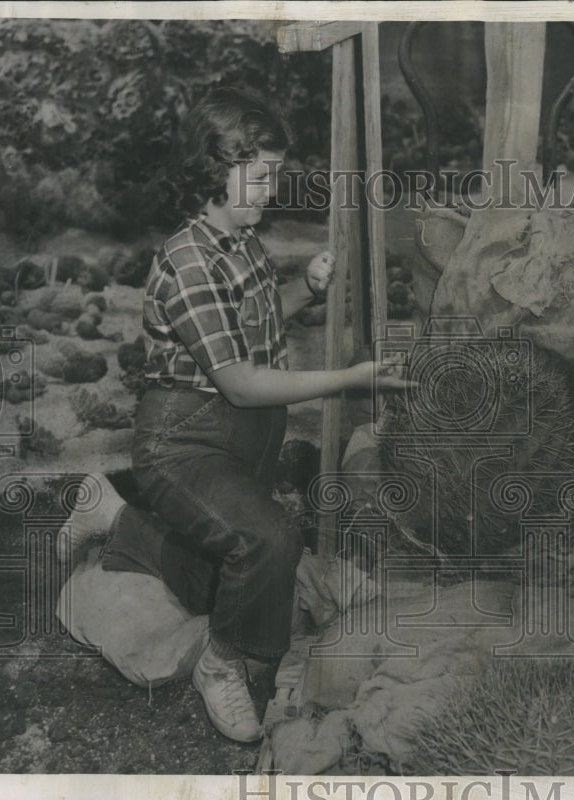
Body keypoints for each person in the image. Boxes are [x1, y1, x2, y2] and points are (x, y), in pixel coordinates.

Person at [62, 87, 410, 742]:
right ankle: (221, 666)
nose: (271, 187)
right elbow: (243, 383)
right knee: (270, 540)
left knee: (217, 578)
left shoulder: (242, 241)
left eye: (276, 172)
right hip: (183, 440)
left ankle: (114, 517)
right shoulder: (187, 260)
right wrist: (349, 381)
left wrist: (303, 291)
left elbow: (252, 324)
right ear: (213, 167)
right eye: (261, 173)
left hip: (240, 435)